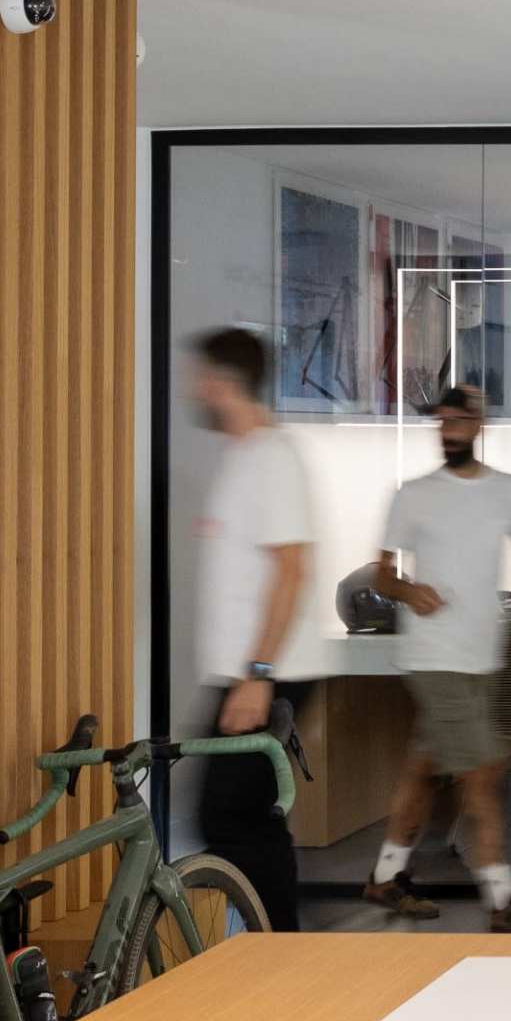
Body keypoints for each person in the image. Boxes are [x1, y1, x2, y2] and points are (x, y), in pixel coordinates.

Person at [357, 385, 511, 932]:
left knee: (424, 764)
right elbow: (382, 573)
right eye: (442, 420)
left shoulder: (508, 491)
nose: (449, 429)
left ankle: (386, 877)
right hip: (434, 656)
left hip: (482, 657)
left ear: (478, 426)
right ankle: (503, 897)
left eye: (460, 419)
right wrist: (410, 593)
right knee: (482, 771)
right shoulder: (411, 494)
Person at [186, 325, 312, 931]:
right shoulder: (242, 456)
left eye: (198, 377)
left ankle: (277, 955)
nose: (193, 389)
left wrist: (258, 675)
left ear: (220, 382)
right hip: (243, 674)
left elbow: (293, 570)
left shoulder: (271, 457)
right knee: (237, 821)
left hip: (264, 675)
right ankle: (271, 953)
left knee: (233, 821)